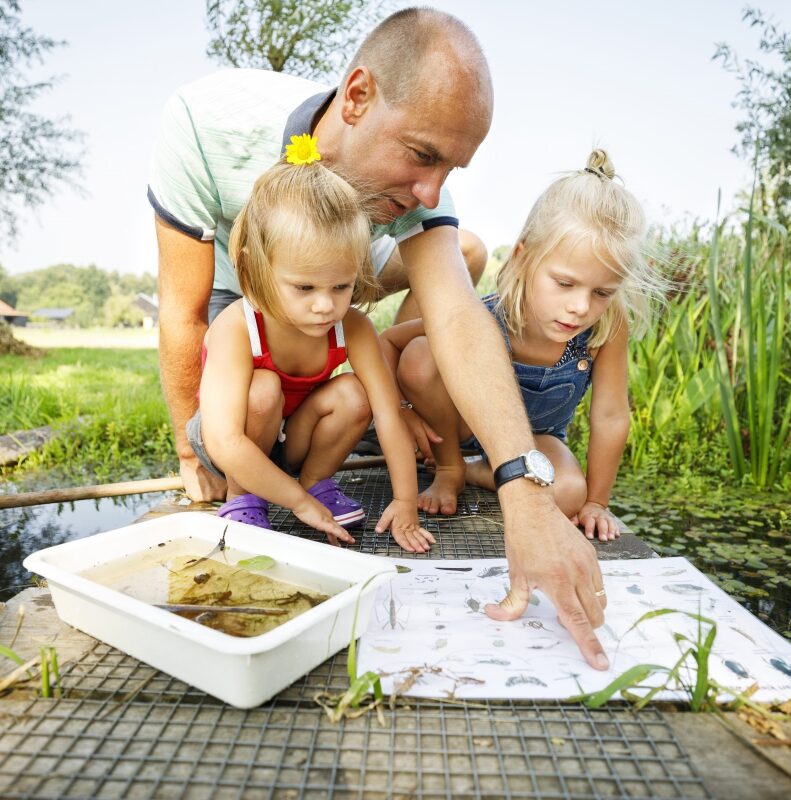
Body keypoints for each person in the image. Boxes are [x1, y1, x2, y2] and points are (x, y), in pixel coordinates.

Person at [150, 8, 612, 670]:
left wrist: (521, 486)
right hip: (241, 295)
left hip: (340, 277)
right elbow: (184, 307)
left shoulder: (405, 214)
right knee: (249, 402)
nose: (431, 188)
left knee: (461, 253)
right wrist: (191, 451)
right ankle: (252, 476)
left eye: (451, 168)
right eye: (423, 155)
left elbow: (456, 315)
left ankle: (353, 420)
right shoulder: (205, 121)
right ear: (358, 96)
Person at [381, 149, 666, 544]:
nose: (581, 307)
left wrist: (597, 502)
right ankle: (450, 469)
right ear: (523, 258)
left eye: (601, 292)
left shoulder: (605, 327)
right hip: (462, 428)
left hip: (539, 440)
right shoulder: (487, 314)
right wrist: (402, 411)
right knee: (420, 356)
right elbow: (389, 343)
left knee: (568, 492)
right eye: (565, 284)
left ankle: (482, 470)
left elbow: (611, 416)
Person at [191, 139, 435, 553]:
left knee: (356, 393)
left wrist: (405, 501)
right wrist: (298, 507)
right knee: (265, 388)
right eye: (304, 287)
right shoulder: (237, 325)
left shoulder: (352, 327)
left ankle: (314, 481)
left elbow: (387, 415)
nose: (325, 305)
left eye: (341, 286)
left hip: (293, 440)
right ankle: (242, 497)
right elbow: (224, 439)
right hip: (232, 443)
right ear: (255, 266)